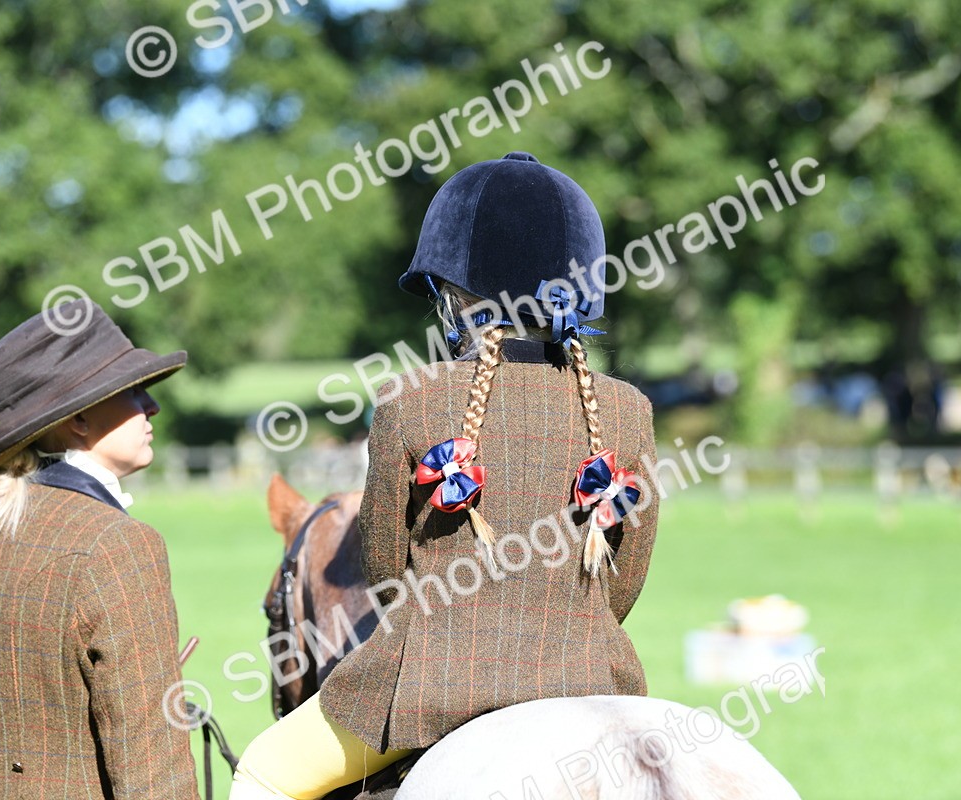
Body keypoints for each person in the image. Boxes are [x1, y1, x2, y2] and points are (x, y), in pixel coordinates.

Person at [230, 152, 661, 798]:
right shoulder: (629, 410)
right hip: (592, 681)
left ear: (453, 295)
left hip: (430, 684)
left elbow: (384, 571)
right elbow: (624, 583)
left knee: (262, 772)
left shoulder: (410, 400)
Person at [0, 301, 201, 799]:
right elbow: (154, 780)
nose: (150, 406)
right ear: (79, 420)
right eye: (132, 391)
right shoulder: (117, 544)